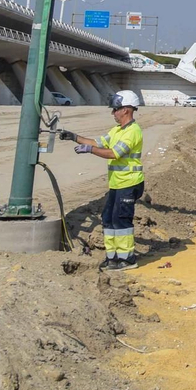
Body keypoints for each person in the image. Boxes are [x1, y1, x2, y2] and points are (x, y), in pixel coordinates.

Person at [64, 90, 145, 270]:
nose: (113, 113)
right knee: (108, 218)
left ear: (125, 110)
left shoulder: (132, 131)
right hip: (117, 183)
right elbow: (98, 143)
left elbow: (114, 153)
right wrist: (74, 137)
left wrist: (89, 150)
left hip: (129, 183)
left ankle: (127, 259)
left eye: (115, 109)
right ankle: (112, 257)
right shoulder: (117, 130)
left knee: (121, 221)